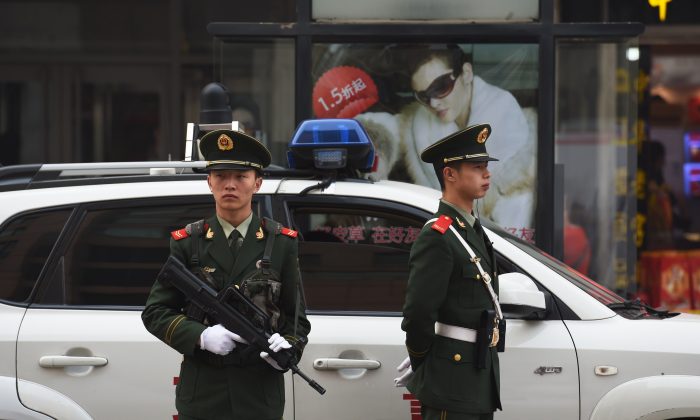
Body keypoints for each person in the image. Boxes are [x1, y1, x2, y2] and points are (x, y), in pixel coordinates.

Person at [142, 129, 310, 420]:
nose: (229, 185)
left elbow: (296, 320)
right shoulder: (188, 242)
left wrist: (288, 349)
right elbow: (155, 312)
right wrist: (201, 336)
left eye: (240, 177)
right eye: (220, 176)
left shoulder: (282, 243)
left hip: (259, 395)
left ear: (257, 183)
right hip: (204, 392)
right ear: (209, 181)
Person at [356, 44, 534, 229]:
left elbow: (514, 235)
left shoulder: (511, 127)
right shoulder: (420, 122)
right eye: (423, 96)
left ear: (466, 73)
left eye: (441, 87)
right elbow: (384, 129)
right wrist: (379, 155)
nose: (433, 103)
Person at [396, 124, 503, 420]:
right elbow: (418, 313)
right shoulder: (439, 236)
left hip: (477, 376)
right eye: (477, 167)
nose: (487, 173)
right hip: (450, 379)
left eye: (486, 166)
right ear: (450, 174)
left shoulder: (473, 230)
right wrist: (424, 360)